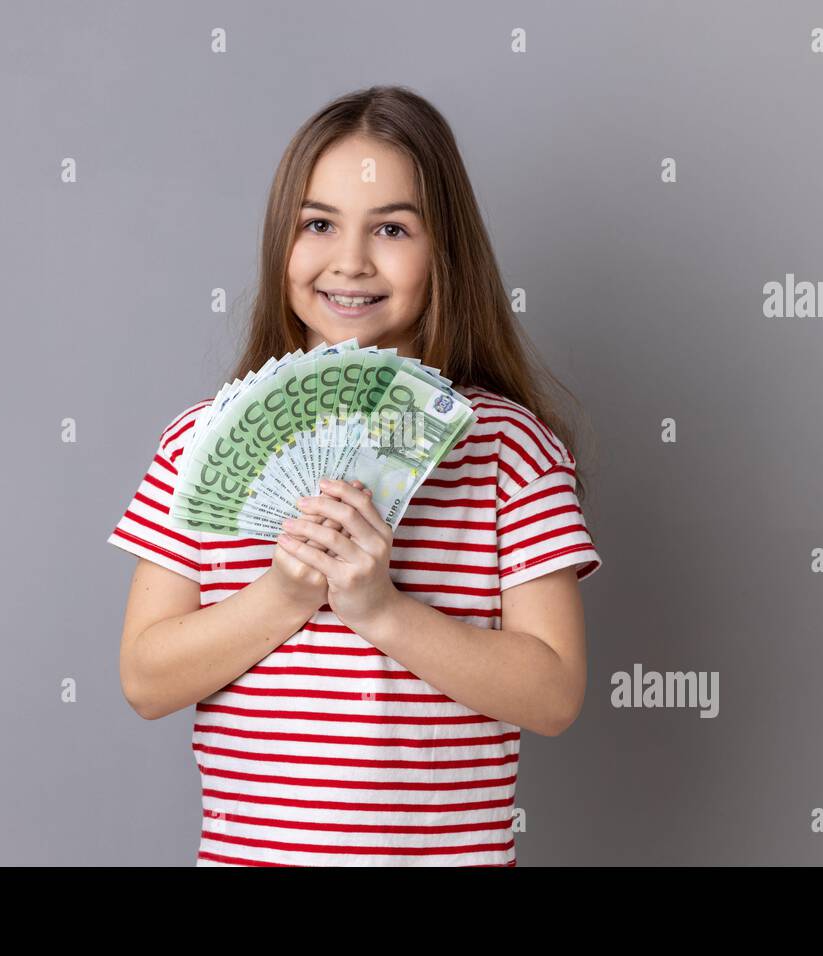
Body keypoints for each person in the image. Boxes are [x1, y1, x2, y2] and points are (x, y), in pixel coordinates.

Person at [107, 85, 603, 866]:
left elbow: (553, 694)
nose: (350, 261)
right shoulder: (195, 443)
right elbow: (146, 679)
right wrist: (285, 594)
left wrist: (380, 610)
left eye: (393, 228)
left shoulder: (510, 450)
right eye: (318, 224)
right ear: (282, 243)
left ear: (446, 251)